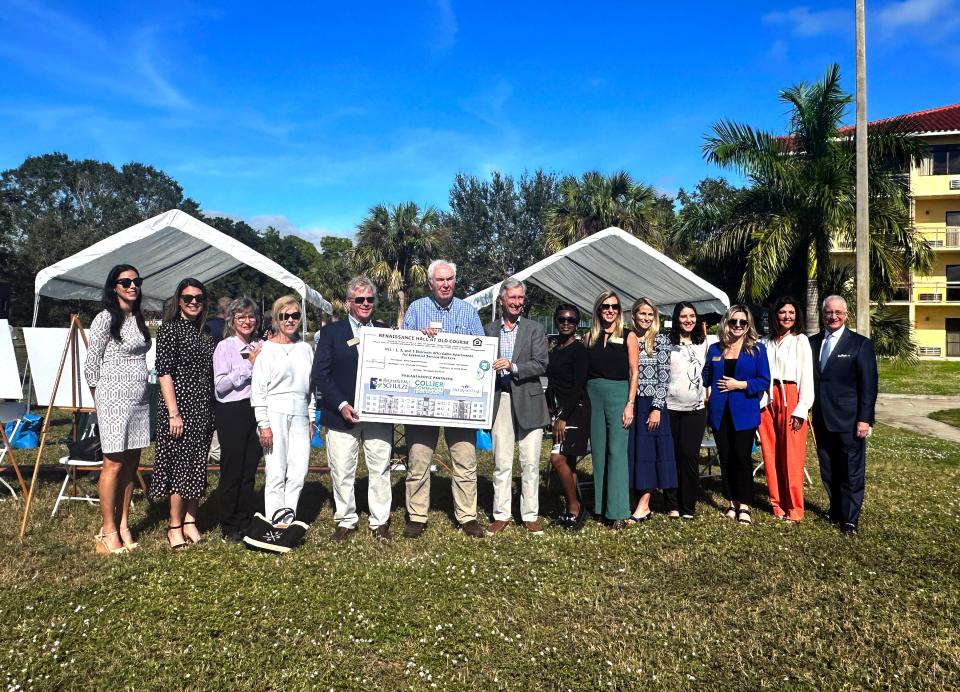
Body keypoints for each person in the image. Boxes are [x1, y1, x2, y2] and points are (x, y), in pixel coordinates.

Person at [401, 259, 485, 539]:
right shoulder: (416, 309)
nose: (446, 284)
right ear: (430, 283)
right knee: (418, 460)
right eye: (440, 280)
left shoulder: (468, 311)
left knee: (465, 460)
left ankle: (467, 516)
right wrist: (417, 338)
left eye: (449, 279)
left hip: (459, 402)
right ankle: (416, 515)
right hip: (424, 399)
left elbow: (481, 350)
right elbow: (402, 350)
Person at [311, 276, 393, 542]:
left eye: (370, 299)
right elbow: (321, 375)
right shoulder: (332, 333)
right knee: (343, 469)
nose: (366, 304)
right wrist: (342, 404)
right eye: (360, 299)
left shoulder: (385, 330)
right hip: (341, 414)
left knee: (380, 468)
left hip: (377, 414)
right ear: (349, 303)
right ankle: (345, 519)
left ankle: (380, 521)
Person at [84, 264, 151, 554]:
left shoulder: (137, 317)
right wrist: (100, 402)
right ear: (114, 286)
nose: (132, 286)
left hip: (140, 400)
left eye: (136, 281)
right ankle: (107, 529)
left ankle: (124, 523)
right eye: (126, 282)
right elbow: (91, 366)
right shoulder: (104, 318)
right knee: (112, 464)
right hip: (112, 400)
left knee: (131, 465)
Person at [151, 278, 216, 548]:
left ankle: (190, 520)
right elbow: (163, 373)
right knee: (179, 469)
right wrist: (173, 413)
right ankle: (174, 525)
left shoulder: (206, 332)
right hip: (179, 408)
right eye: (188, 298)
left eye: (198, 298)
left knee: (197, 466)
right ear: (179, 300)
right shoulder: (170, 330)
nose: (193, 303)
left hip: (203, 408)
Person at [483, 279, 550, 536]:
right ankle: (501, 514)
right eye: (512, 298)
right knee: (501, 461)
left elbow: (542, 364)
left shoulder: (534, 329)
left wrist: (514, 367)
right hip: (500, 400)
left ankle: (530, 515)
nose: (517, 303)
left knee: (531, 462)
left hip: (530, 400)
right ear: (502, 299)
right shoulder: (488, 330)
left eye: (521, 298)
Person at [809, 295, 877, 534]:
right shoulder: (812, 342)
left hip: (849, 420)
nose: (833, 317)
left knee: (851, 469)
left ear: (846, 315)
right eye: (829, 312)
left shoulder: (859, 344)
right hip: (821, 419)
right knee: (828, 468)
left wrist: (865, 419)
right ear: (823, 314)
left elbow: (869, 385)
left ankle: (850, 519)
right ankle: (835, 508)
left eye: (838, 312)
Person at [703, 305, 770, 526]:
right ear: (726, 323)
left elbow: (764, 380)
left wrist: (739, 385)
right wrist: (705, 392)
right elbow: (706, 375)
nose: (738, 326)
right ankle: (732, 501)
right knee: (726, 458)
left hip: (744, 412)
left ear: (748, 324)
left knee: (742, 458)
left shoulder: (757, 350)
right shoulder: (714, 349)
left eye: (743, 322)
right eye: (734, 322)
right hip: (720, 412)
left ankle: (745, 505)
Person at [251, 296, 314, 528]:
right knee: (276, 470)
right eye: (284, 316)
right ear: (276, 319)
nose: (290, 320)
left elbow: (312, 388)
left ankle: (287, 518)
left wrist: (311, 416)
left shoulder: (306, 349)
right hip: (274, 412)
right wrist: (263, 424)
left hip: (300, 413)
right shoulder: (265, 350)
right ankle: (273, 519)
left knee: (299, 470)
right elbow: (258, 391)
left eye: (295, 315)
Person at [585, 290, 638, 530]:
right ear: (598, 309)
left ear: (619, 310)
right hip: (593, 396)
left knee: (617, 452)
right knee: (598, 453)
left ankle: (618, 510)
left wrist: (630, 403)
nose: (610, 310)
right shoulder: (589, 337)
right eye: (605, 306)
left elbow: (634, 372)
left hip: (619, 397)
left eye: (615, 307)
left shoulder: (629, 336)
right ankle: (600, 507)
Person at [212, 297, 263, 543]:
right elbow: (220, 387)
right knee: (232, 469)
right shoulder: (224, 347)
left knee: (249, 468)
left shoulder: (261, 345)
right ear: (232, 320)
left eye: (251, 316)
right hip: (231, 410)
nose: (247, 321)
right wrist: (248, 367)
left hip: (256, 409)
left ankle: (245, 519)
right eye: (241, 316)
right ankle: (228, 523)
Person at [759, 296, 814, 523]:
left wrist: (801, 409)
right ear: (775, 315)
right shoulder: (766, 342)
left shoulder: (800, 341)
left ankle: (794, 509)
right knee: (770, 454)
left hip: (790, 396)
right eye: (783, 312)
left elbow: (807, 377)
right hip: (767, 398)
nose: (787, 316)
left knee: (792, 455)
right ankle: (777, 504)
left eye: (791, 312)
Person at [626, 297, 676, 522]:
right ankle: (633, 499)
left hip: (651, 403)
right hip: (630, 402)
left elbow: (664, 376)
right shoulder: (627, 337)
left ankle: (644, 504)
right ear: (634, 314)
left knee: (649, 454)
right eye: (642, 313)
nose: (646, 318)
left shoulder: (661, 340)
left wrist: (656, 407)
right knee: (634, 452)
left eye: (650, 314)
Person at [663, 301, 709, 519]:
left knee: (689, 456)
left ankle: (688, 505)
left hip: (695, 409)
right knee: (671, 456)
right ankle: (672, 503)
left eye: (692, 316)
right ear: (676, 319)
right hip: (669, 407)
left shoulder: (704, 343)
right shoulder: (666, 343)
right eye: (683, 316)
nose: (688, 320)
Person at [546, 304, 590, 530]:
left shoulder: (580, 350)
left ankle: (576, 508)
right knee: (569, 462)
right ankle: (573, 512)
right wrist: (549, 408)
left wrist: (563, 416)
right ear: (556, 321)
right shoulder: (555, 350)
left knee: (558, 459)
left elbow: (578, 386)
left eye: (571, 320)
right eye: (562, 319)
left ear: (577, 324)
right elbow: (552, 384)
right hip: (559, 411)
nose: (566, 323)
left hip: (576, 411)